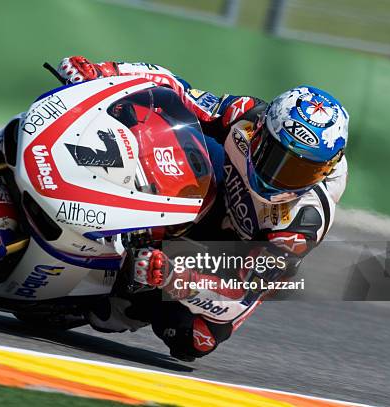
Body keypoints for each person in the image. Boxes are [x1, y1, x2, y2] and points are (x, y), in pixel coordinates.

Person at [57, 56, 349, 361]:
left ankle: (107, 297)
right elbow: (175, 90)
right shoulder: (246, 117)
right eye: (275, 157)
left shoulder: (299, 227)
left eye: (299, 173)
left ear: (323, 172)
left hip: (230, 258)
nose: (279, 179)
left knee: (193, 339)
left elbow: (238, 296)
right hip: (217, 190)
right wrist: (104, 72)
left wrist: (172, 276)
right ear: (262, 131)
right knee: (172, 131)